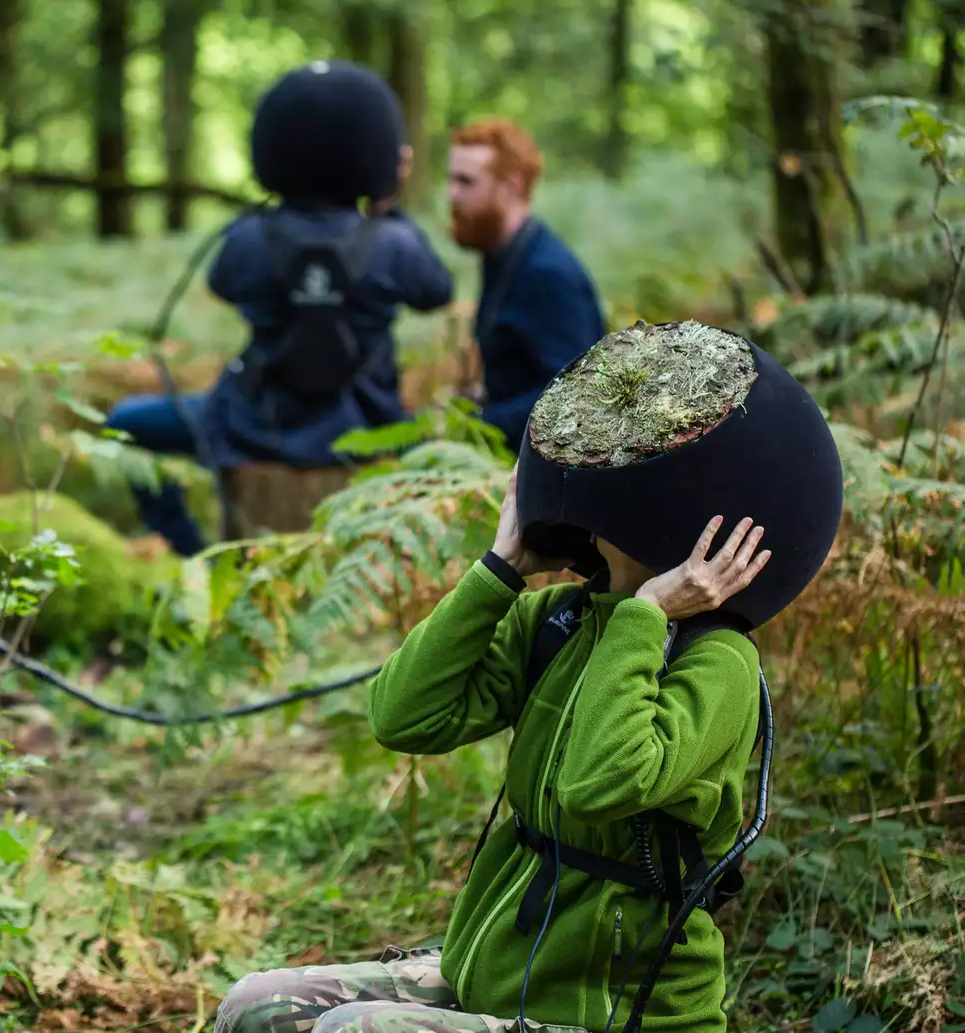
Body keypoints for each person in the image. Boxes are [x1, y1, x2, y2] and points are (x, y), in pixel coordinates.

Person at [215, 473, 769, 1033]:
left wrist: (647, 612)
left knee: (352, 1031)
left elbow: (598, 783)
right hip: (492, 972)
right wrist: (499, 571)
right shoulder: (560, 621)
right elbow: (401, 717)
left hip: (618, 1013)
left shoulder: (720, 661)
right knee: (255, 1005)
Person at [105, 60, 455, 556]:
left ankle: (189, 551)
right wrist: (386, 205)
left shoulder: (246, 239)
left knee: (126, 421)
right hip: (371, 432)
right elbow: (436, 291)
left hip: (251, 430)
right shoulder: (396, 244)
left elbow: (222, 284)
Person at [446, 118, 606, 447]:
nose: (452, 194)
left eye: (466, 182)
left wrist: (476, 426)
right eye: (451, 180)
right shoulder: (501, 256)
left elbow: (578, 398)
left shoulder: (548, 275)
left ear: (513, 187)